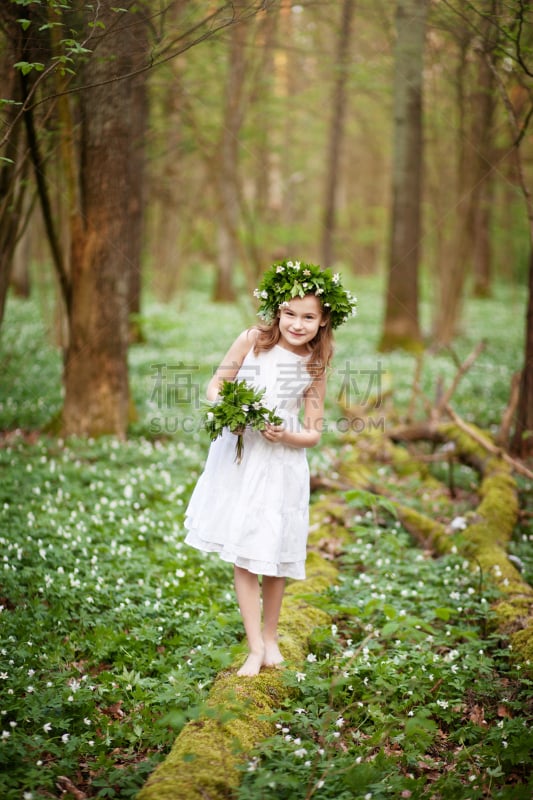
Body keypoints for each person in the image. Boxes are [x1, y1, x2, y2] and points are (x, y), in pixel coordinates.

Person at [184, 260, 357, 677]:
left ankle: (273, 635)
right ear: (277, 311)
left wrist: (287, 435)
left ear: (323, 320)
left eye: (308, 317)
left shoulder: (315, 363)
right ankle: (255, 646)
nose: (297, 324)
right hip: (241, 456)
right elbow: (217, 384)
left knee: (276, 553)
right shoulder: (253, 341)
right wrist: (230, 412)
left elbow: (313, 432)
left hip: (281, 463)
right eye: (290, 313)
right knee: (244, 551)